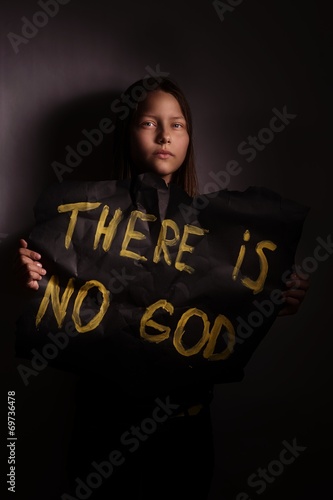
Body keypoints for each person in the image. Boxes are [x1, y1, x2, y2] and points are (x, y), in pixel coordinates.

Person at [14, 77, 309, 499]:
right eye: (149, 123)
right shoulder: (76, 225)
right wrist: (23, 275)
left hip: (185, 430)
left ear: (189, 138)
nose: (165, 135)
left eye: (178, 124)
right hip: (103, 428)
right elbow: (43, 286)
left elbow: (233, 303)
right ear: (126, 134)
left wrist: (273, 297)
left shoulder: (220, 238)